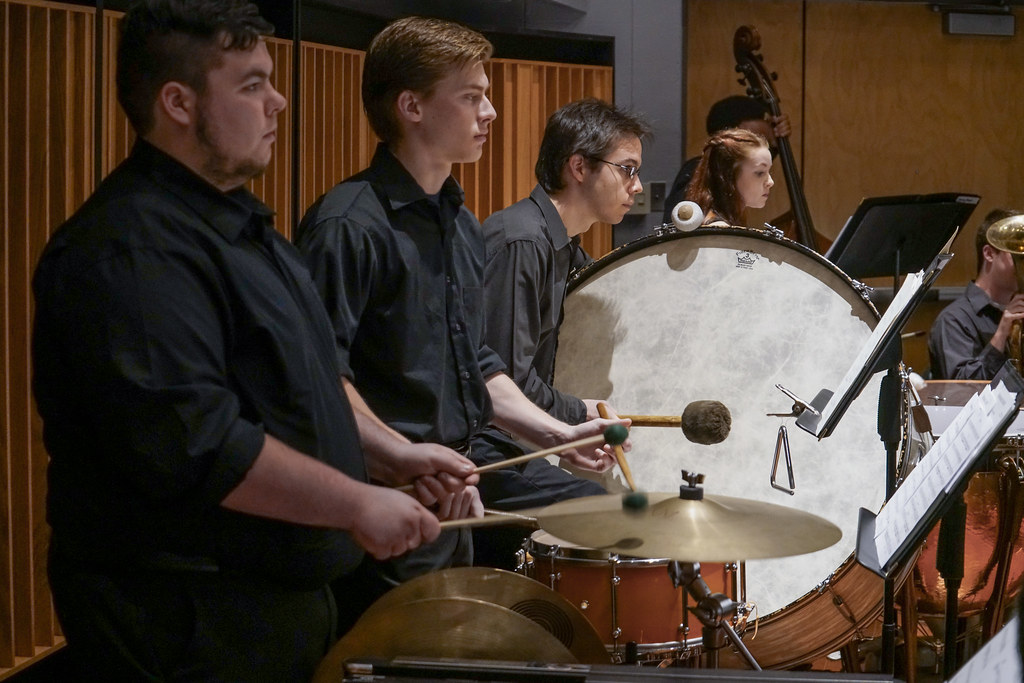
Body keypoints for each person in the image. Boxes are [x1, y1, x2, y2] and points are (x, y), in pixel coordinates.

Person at [31, 2, 476, 679]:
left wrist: (395, 455)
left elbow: (308, 387)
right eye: (250, 84)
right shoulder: (132, 249)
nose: (279, 101)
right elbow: (202, 444)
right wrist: (356, 501)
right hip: (186, 616)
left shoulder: (245, 232)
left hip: (272, 606)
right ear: (178, 103)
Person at [295, 18, 626, 593]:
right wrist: (406, 460)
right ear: (411, 107)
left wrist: (555, 434)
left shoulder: (460, 226)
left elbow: (473, 361)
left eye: (488, 95)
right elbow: (320, 380)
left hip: (454, 491)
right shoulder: (348, 226)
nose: (490, 112)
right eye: (472, 96)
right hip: (381, 506)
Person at [471, 99, 650, 567]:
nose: (637, 187)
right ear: (578, 166)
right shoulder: (522, 242)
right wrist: (578, 412)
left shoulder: (564, 248)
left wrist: (569, 433)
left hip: (519, 442)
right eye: (627, 170)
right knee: (620, 515)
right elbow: (503, 380)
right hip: (487, 453)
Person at [662, 95, 790, 224]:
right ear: (741, 129)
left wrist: (775, 144)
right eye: (765, 119)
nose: (771, 124)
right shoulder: (701, 170)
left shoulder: (717, 168)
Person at [929, 208, 1024, 380]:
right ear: (989, 254)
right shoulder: (954, 320)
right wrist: (1001, 334)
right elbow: (962, 387)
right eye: (1017, 254)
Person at [686, 127, 775, 227]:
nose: (770, 182)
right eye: (760, 173)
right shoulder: (719, 230)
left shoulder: (722, 223)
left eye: (769, 172)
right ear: (729, 175)